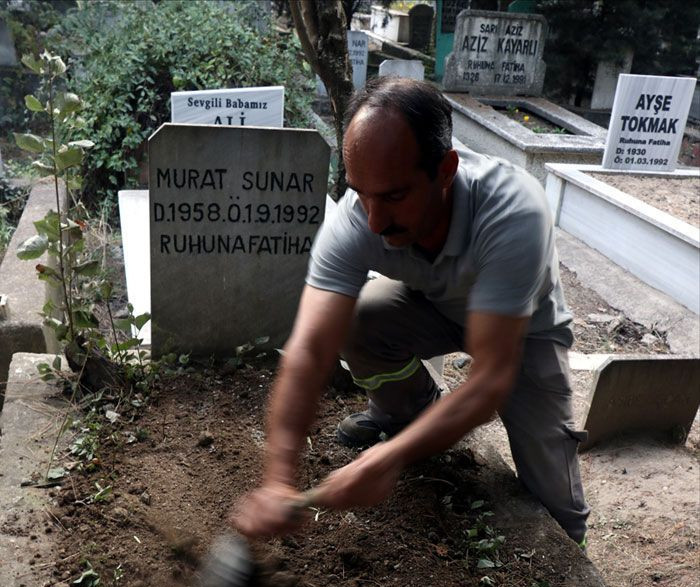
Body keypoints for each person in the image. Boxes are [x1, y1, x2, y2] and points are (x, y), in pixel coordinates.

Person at [231, 77, 589, 545]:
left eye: (394, 196)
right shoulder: (358, 217)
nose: (375, 221)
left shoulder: (513, 211)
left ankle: (571, 567)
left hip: (522, 334)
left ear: (445, 170)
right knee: (358, 322)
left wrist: (392, 457)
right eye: (362, 193)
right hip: (438, 306)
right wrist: (278, 476)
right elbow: (310, 348)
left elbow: (490, 379)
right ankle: (409, 414)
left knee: (555, 503)